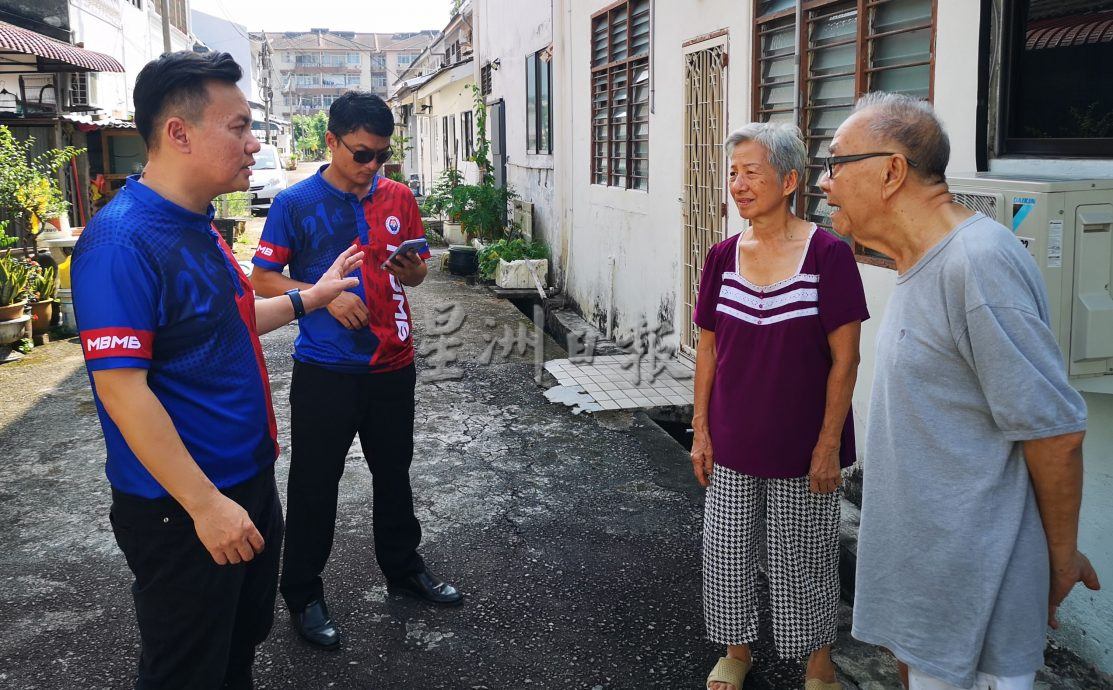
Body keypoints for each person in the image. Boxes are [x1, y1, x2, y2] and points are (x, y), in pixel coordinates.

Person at [72, 51, 363, 689]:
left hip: (246, 484)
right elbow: (121, 388)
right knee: (187, 668)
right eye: (237, 127)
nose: (254, 142)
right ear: (179, 133)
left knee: (235, 651)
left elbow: (231, 320)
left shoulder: (198, 224)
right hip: (183, 508)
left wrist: (313, 295)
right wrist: (205, 505)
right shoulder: (122, 242)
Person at [821, 92, 1101, 690]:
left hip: (973, 589)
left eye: (836, 163)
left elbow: (1054, 432)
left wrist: (1058, 559)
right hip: (930, 583)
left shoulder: (976, 265)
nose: (825, 183)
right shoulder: (921, 263)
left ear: (891, 171)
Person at [251, 90, 462, 652]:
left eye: (383, 156)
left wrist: (413, 271)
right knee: (315, 484)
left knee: (395, 473)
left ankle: (403, 568)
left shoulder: (398, 195)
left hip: (394, 364)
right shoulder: (295, 203)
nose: (373, 167)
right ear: (331, 142)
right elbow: (263, 280)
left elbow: (414, 278)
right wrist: (321, 297)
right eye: (362, 154)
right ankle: (302, 593)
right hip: (327, 369)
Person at [691, 122, 869, 690]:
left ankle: (817, 662)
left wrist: (827, 443)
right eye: (734, 173)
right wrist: (700, 430)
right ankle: (737, 650)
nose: (738, 185)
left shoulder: (828, 255)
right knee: (726, 550)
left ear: (789, 180)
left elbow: (846, 360)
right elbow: (708, 349)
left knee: (806, 555)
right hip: (732, 436)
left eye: (752, 173)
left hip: (803, 443)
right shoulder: (722, 256)